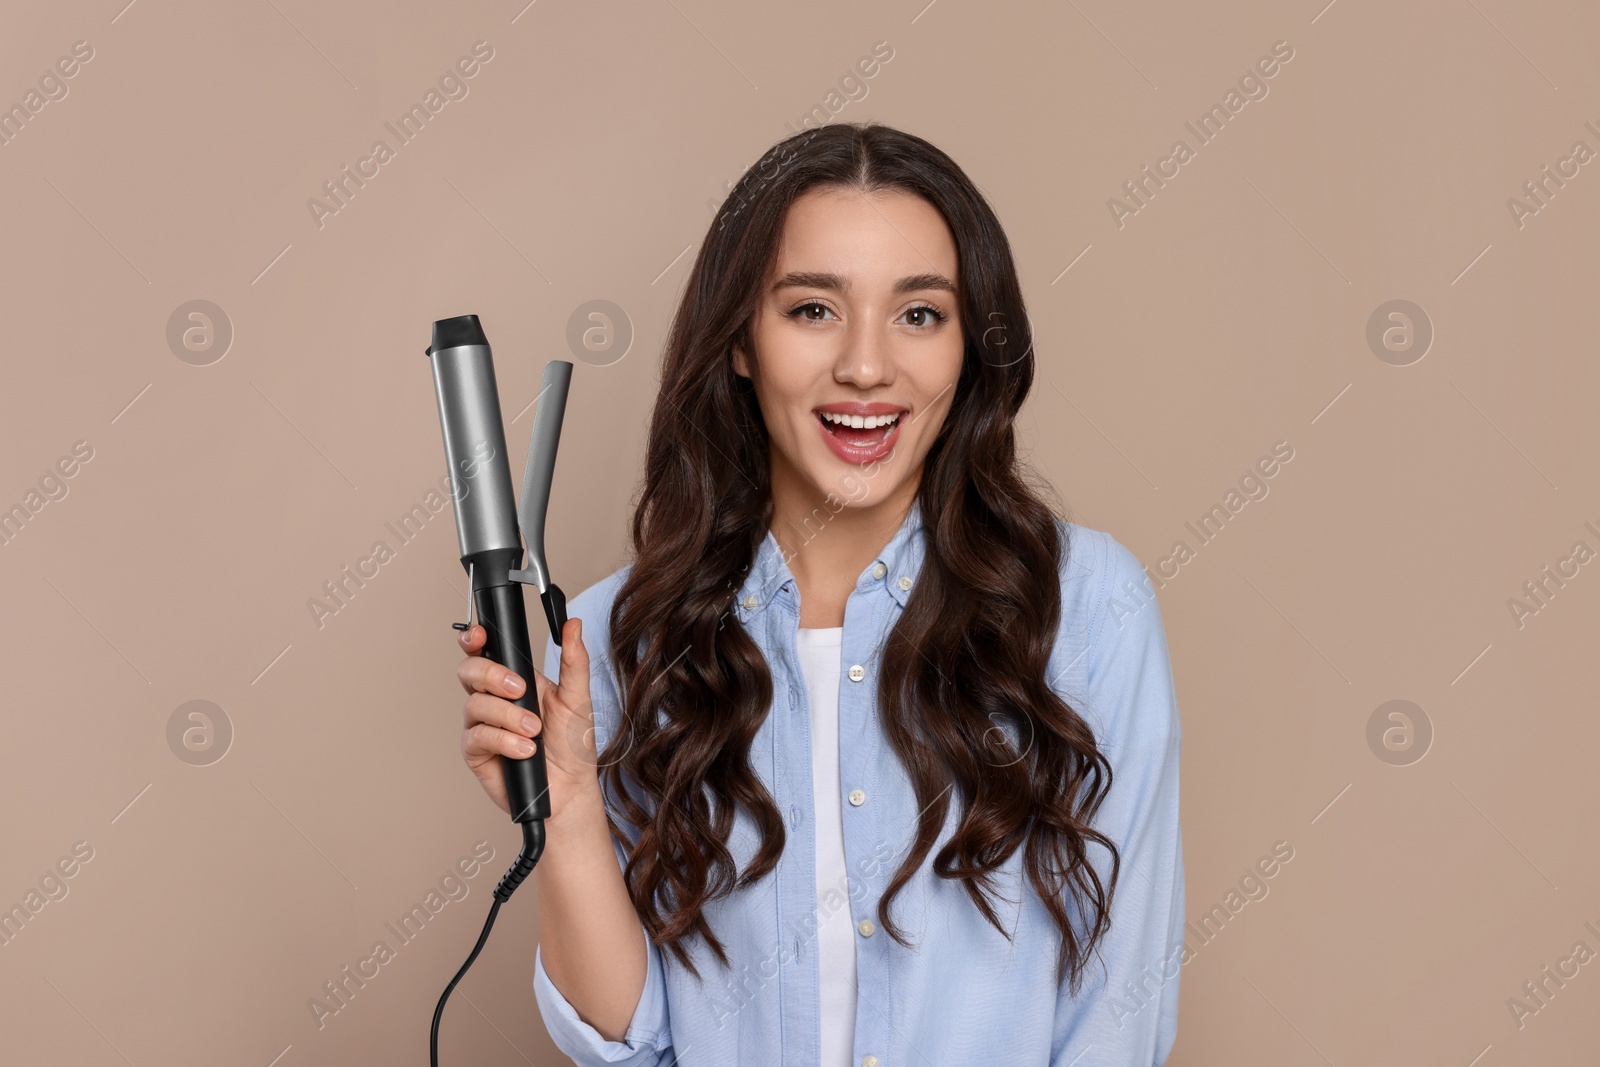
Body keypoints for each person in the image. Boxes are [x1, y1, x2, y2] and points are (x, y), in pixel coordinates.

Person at [454, 122, 1184, 1066]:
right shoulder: (610, 635)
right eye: (813, 310)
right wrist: (568, 811)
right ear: (742, 342)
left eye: (920, 313)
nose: (868, 367)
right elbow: (632, 1044)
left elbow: (1120, 1012)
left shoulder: (1088, 608)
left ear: (969, 349)